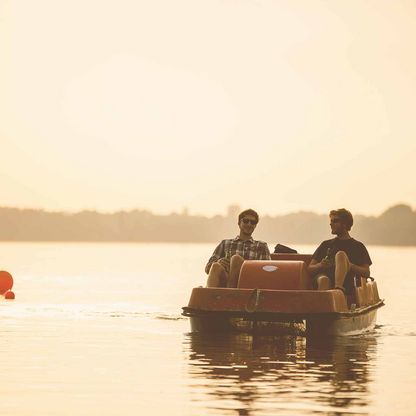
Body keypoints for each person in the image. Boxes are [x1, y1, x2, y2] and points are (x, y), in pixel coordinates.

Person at [307, 208, 372, 295]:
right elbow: (309, 269)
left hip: (347, 283)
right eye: (331, 221)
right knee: (324, 280)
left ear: (344, 224)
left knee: (341, 255)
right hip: (324, 278)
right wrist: (320, 265)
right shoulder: (326, 244)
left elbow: (366, 272)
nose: (331, 224)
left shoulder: (358, 246)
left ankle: (338, 288)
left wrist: (350, 266)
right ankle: (321, 306)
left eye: (335, 221)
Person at [205, 209, 271, 288]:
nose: (249, 224)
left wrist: (246, 266)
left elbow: (267, 271)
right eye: (246, 221)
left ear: (255, 226)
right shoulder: (225, 243)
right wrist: (219, 262)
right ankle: (210, 296)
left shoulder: (261, 246)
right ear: (239, 223)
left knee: (236, 259)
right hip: (224, 280)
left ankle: (231, 293)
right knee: (215, 265)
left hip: (248, 282)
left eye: (252, 222)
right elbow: (207, 268)